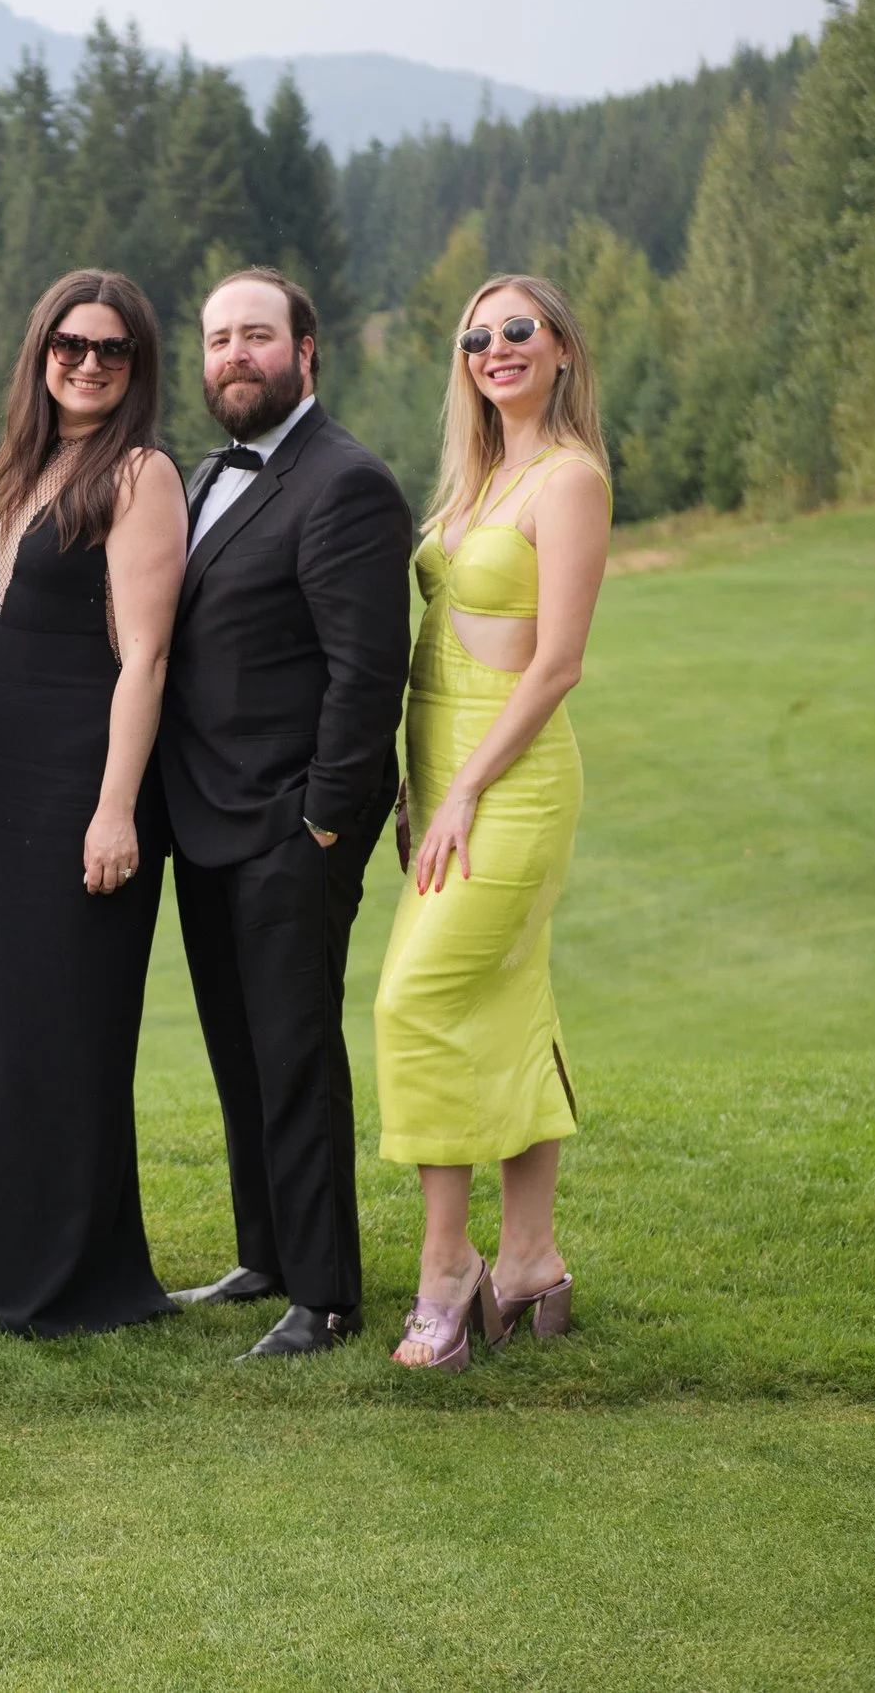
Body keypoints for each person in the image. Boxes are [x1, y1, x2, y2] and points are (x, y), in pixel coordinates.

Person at [159, 266, 413, 1360]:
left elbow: (366, 674)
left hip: (286, 830)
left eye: (255, 336)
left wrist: (319, 821)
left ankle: (325, 1295)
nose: (233, 356)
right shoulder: (204, 473)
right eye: (217, 339)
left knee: (295, 1051)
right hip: (202, 820)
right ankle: (263, 1253)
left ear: (306, 351)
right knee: (236, 1050)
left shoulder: (344, 482)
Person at [373, 275, 610, 1372]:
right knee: (507, 1004)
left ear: (561, 346)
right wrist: (422, 782)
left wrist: (465, 787)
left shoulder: (568, 480)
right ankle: (530, 1265)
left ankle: (445, 1268)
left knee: (412, 1001)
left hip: (507, 784)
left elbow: (557, 662)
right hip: (444, 775)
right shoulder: (479, 475)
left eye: (518, 330)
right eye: (476, 335)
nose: (495, 347)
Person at [0, 270, 189, 1336]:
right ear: (39, 353)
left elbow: (141, 657)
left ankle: (73, 1286)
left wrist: (114, 809)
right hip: (11, 788)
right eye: (69, 345)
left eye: (112, 350)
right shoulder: (25, 468)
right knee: (12, 1035)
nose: (87, 364)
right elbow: (13, 639)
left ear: (136, 367)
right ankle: (7, 1275)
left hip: (82, 788)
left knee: (67, 1036)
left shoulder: (140, 474)